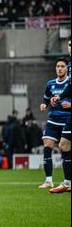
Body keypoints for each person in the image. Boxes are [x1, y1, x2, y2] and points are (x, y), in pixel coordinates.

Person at [38, 58, 70, 189]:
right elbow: (45, 99)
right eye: (58, 66)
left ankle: (67, 180)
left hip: (68, 119)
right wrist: (44, 105)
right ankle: (49, 180)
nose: (60, 68)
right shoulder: (50, 83)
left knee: (65, 148)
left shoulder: (70, 83)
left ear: (67, 68)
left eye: (62, 66)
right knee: (47, 146)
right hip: (52, 120)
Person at [49, 39, 71, 193]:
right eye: (69, 45)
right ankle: (68, 182)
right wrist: (61, 97)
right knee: (64, 144)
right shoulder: (70, 65)